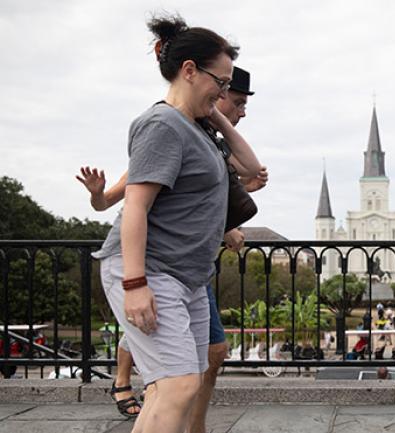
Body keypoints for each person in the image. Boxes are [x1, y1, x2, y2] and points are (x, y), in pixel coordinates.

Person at [91, 15, 263, 433]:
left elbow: (252, 168)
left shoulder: (195, 127)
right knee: (179, 385)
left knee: (172, 388)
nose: (225, 93)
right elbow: (135, 207)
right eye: (220, 83)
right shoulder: (162, 125)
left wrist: (210, 112)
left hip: (185, 276)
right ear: (189, 70)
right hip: (152, 270)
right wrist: (135, 285)